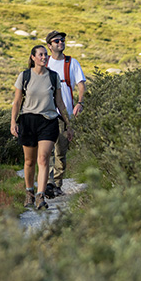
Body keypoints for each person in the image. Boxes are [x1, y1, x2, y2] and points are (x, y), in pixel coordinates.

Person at [11, 44, 72, 210]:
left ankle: (40, 196)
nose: (44, 57)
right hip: (28, 121)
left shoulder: (53, 76)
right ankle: (29, 192)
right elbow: (17, 102)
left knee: (43, 159)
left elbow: (59, 102)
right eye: (41, 55)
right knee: (29, 161)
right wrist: (13, 122)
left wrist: (68, 124)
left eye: (46, 55)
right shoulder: (24, 76)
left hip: (48, 121)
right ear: (33, 57)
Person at [44, 30, 86, 199]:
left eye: (62, 40)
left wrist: (80, 103)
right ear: (50, 45)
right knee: (46, 152)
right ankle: (47, 184)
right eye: (57, 41)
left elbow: (81, 85)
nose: (60, 43)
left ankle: (56, 184)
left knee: (60, 151)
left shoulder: (71, 63)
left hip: (64, 114)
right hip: (45, 114)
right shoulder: (44, 63)